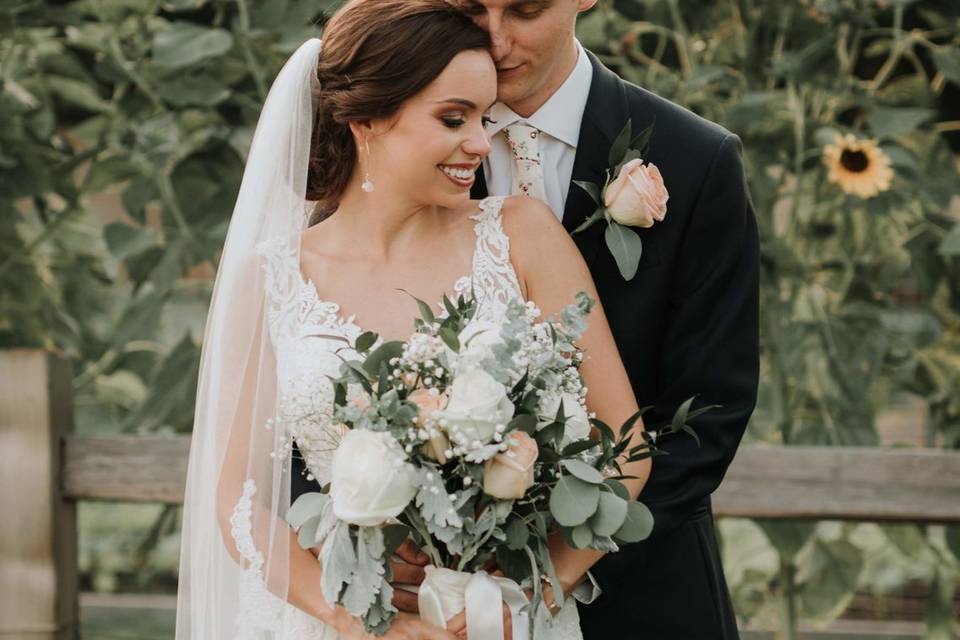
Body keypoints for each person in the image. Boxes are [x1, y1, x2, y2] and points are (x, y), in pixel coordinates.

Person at [176, 1, 652, 638]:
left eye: (484, 118)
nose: (482, 143)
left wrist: (529, 595)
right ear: (367, 119)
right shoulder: (271, 278)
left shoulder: (521, 236)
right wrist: (352, 618)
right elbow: (241, 499)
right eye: (453, 118)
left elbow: (626, 445)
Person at [451, 1, 761, 638]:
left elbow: (711, 410)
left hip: (646, 593)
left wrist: (555, 569)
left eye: (526, 9)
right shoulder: (406, 145)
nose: (496, 38)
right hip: (448, 592)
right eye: (468, 8)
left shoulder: (697, 159)